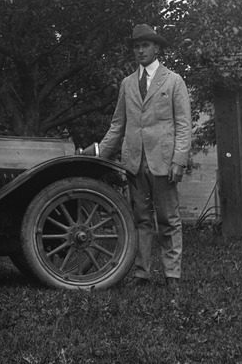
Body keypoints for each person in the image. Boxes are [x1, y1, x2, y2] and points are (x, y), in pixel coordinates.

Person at [98, 24, 191, 290]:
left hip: (164, 163)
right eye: (136, 47)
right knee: (141, 219)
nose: (140, 51)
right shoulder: (128, 83)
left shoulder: (174, 81)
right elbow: (118, 125)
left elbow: (184, 125)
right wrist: (99, 157)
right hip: (134, 163)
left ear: (156, 48)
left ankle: (172, 275)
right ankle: (142, 273)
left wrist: (179, 160)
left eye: (145, 46)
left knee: (168, 219)